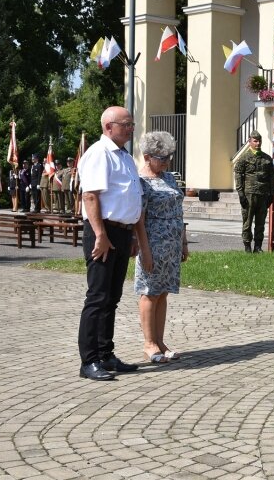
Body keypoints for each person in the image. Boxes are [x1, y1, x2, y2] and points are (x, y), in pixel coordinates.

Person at [77, 106, 143, 381]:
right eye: (126, 124)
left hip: (122, 233)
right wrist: (101, 235)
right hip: (103, 232)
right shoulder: (99, 154)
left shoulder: (125, 156)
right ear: (108, 127)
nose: (131, 128)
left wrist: (132, 235)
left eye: (132, 123)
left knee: (112, 298)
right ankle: (89, 360)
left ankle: (106, 354)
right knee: (98, 297)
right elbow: (90, 197)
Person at [133, 130, 188, 364]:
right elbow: (139, 219)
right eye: (161, 158)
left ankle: (160, 340)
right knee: (150, 292)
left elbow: (179, 210)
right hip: (153, 243)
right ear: (147, 157)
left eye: (168, 157)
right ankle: (149, 344)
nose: (166, 162)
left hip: (172, 243)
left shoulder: (169, 178)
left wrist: (184, 242)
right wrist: (145, 251)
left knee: (163, 292)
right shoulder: (141, 181)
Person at [233, 130, 274, 253]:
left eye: (259, 141)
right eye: (255, 141)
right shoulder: (243, 158)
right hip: (249, 194)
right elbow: (239, 177)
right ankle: (247, 246)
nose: (258, 143)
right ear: (249, 142)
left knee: (260, 222)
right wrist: (241, 194)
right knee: (247, 221)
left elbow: (271, 178)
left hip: (262, 194)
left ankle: (258, 246)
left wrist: (271, 193)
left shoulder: (266, 159)